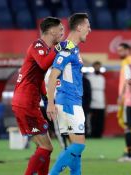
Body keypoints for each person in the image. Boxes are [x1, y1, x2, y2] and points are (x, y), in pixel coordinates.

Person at [11, 17, 65, 175]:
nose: (62, 33)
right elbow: (43, 63)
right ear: (51, 30)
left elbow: (39, 77)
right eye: (60, 30)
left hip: (27, 103)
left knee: (46, 148)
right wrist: (59, 49)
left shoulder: (46, 49)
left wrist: (48, 99)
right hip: (25, 103)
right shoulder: (37, 45)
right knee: (46, 147)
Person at [46, 13, 91, 174]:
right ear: (79, 27)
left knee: (75, 149)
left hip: (71, 102)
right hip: (68, 102)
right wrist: (50, 103)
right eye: (87, 26)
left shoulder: (73, 48)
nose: (90, 30)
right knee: (79, 145)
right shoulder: (67, 49)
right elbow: (53, 75)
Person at [87, 61, 106, 138]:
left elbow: (103, 91)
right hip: (92, 101)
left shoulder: (102, 78)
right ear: (93, 67)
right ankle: (92, 134)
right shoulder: (89, 77)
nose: (98, 68)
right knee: (92, 120)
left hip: (101, 101)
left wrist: (105, 103)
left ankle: (99, 134)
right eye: (96, 66)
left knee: (100, 120)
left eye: (99, 67)